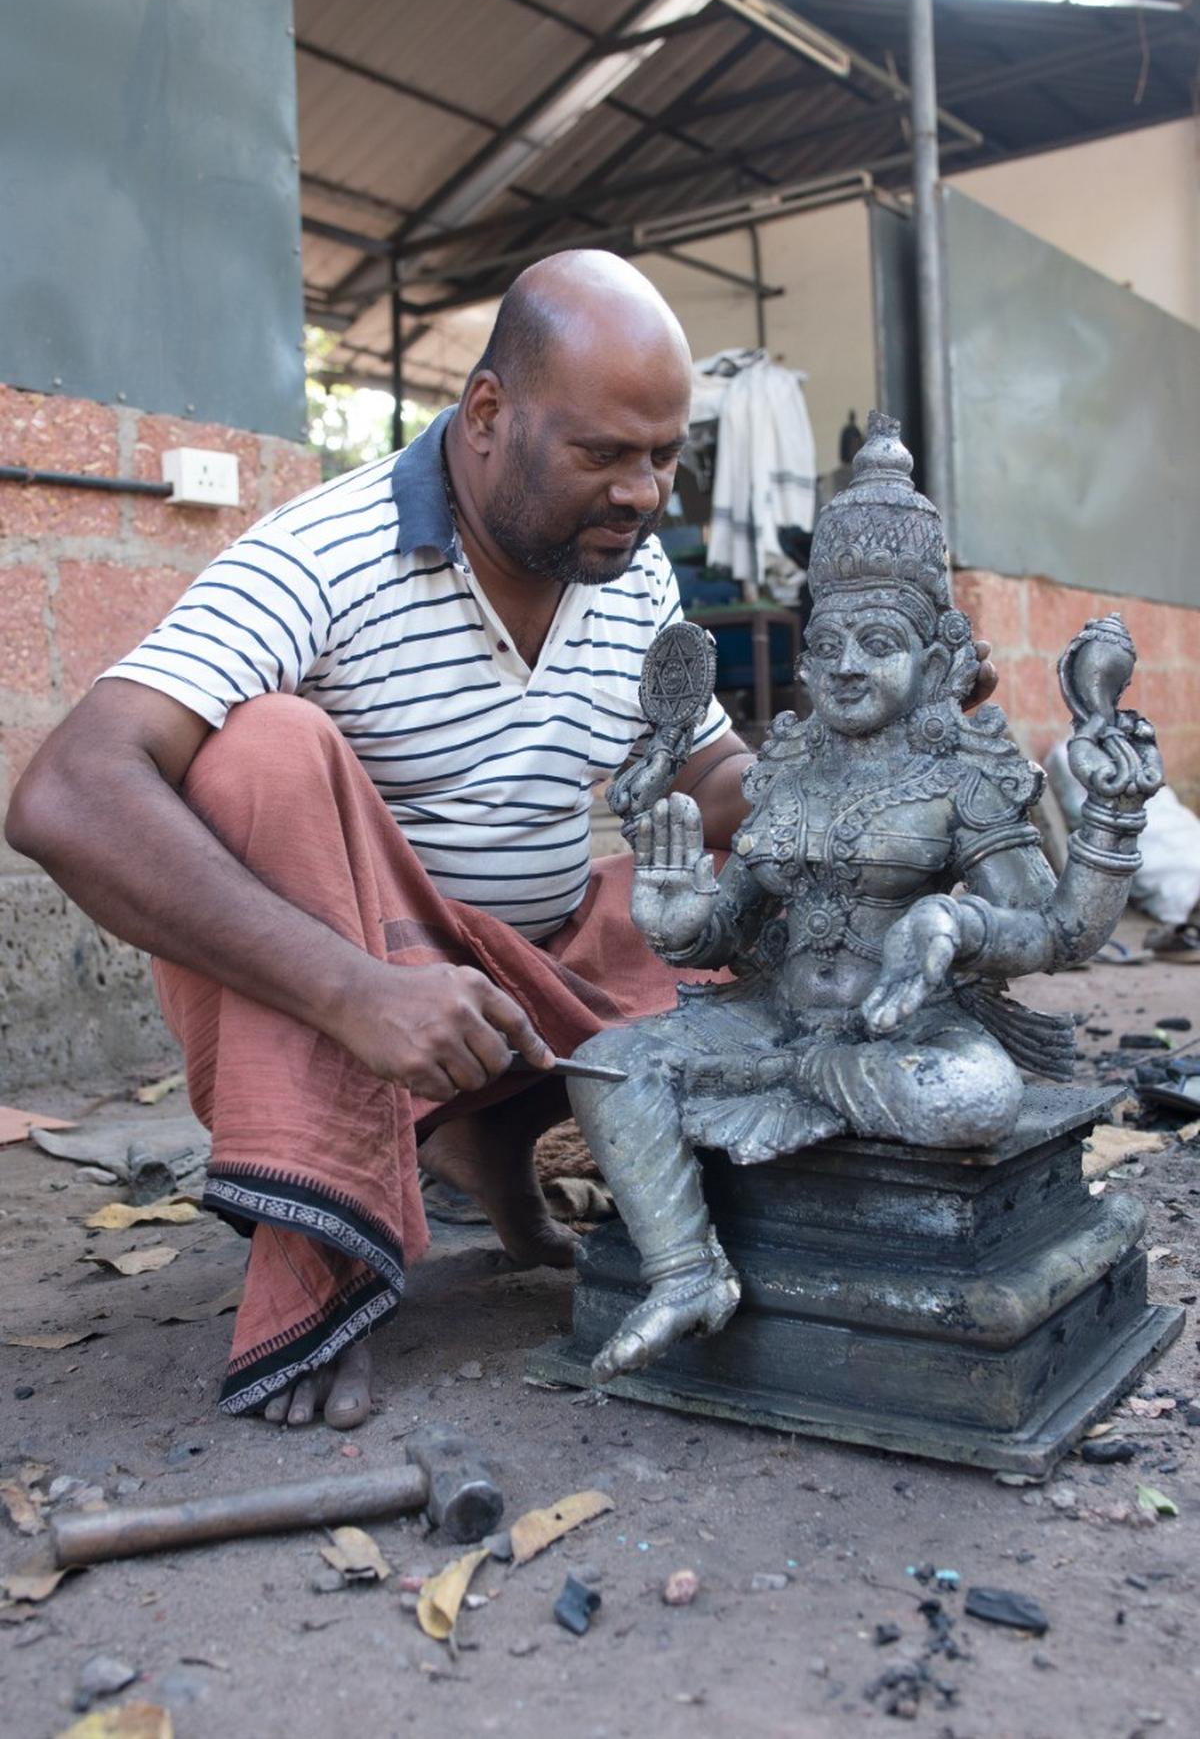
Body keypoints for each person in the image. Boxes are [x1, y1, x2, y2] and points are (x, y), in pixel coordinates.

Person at [7, 252, 994, 1429]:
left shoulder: (626, 582)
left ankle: (499, 1146)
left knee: (759, 880)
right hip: (374, 987)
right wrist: (355, 989)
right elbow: (66, 792)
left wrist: (866, 742)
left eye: (664, 456)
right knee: (262, 748)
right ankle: (320, 1254)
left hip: (534, 974)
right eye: (602, 454)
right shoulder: (323, 556)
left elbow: (717, 783)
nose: (642, 492)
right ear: (486, 415)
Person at [566, 416, 1161, 1385]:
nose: (846, 663)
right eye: (828, 641)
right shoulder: (787, 770)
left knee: (976, 1096)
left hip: (906, 1034)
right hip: (780, 1010)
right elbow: (730, 929)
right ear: (804, 659)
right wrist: (678, 912)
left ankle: (777, 1090)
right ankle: (685, 1270)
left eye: (877, 641)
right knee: (602, 1064)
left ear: (935, 662)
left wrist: (958, 919)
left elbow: (1063, 931)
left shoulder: (959, 776)